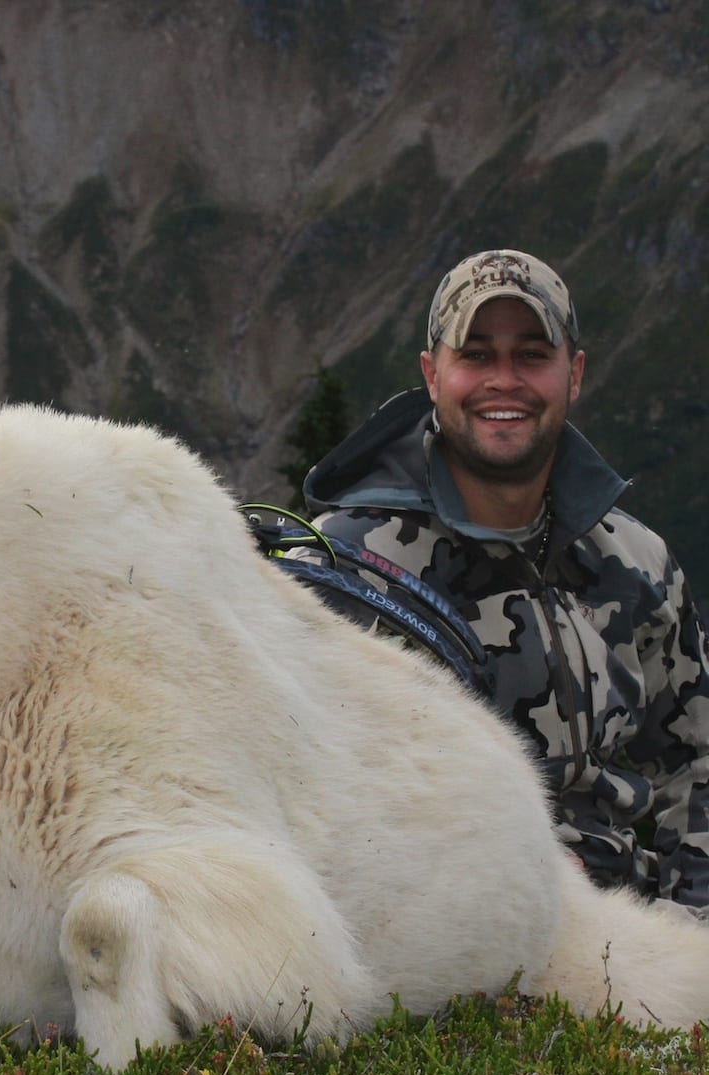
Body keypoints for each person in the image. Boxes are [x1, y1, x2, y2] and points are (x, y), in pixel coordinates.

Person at [302, 248, 709, 910]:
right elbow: (303, 795)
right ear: (434, 376)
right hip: (440, 941)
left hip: (625, 934)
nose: (505, 381)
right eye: (477, 355)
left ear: (573, 375)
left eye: (531, 354)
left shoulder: (638, 562)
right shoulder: (345, 573)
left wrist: (691, 922)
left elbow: (697, 758)